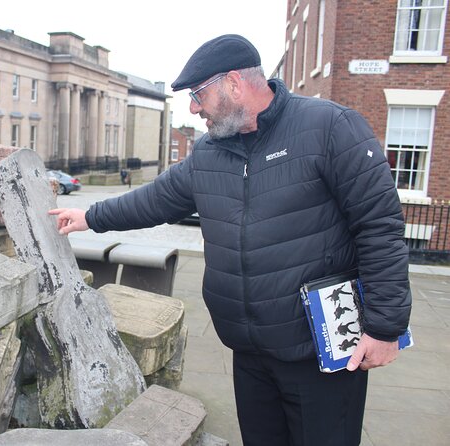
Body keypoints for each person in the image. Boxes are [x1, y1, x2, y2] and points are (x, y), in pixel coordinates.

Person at [49, 34, 411, 446]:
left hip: (319, 354)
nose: (193, 108)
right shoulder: (208, 152)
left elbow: (379, 227)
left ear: (235, 84)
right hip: (249, 350)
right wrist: (89, 217)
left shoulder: (330, 128)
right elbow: (156, 200)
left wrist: (384, 328)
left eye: (199, 94)